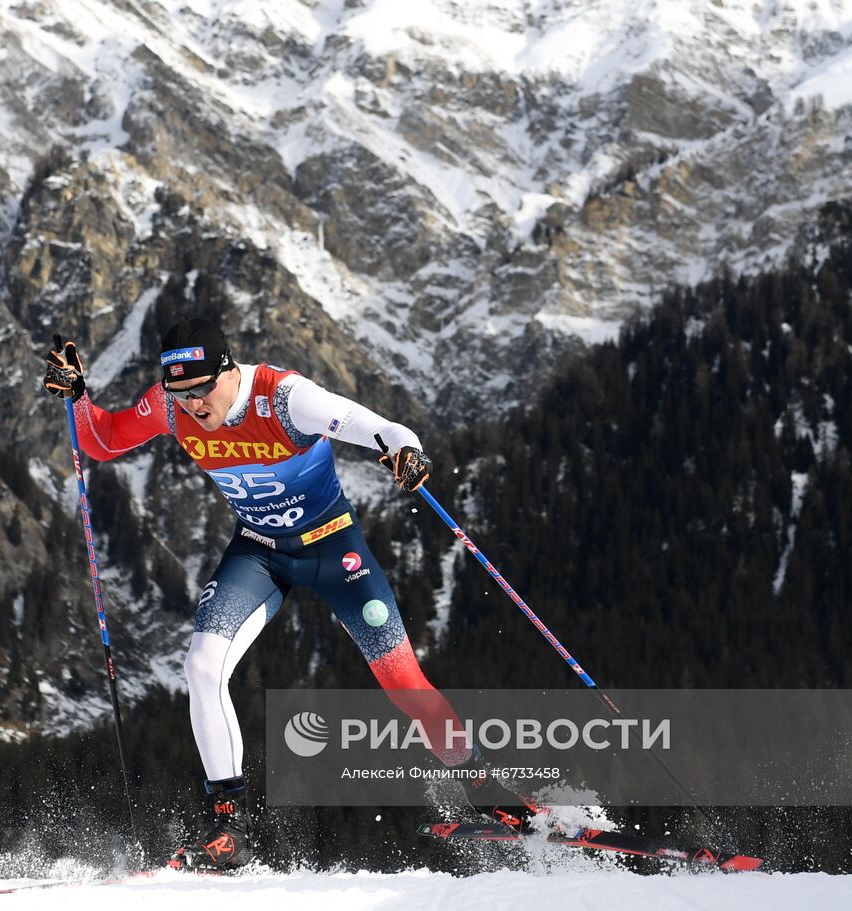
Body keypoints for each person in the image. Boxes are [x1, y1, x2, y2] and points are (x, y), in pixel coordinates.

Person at [44, 318, 518, 870]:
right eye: (180, 393)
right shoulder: (170, 407)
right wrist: (78, 397)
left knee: (403, 682)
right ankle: (227, 830)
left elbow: (382, 428)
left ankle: (493, 794)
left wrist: (405, 452)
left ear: (228, 372)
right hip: (260, 551)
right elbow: (102, 440)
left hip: (333, 550)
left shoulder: (286, 398)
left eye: (202, 390)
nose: (193, 405)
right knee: (200, 667)